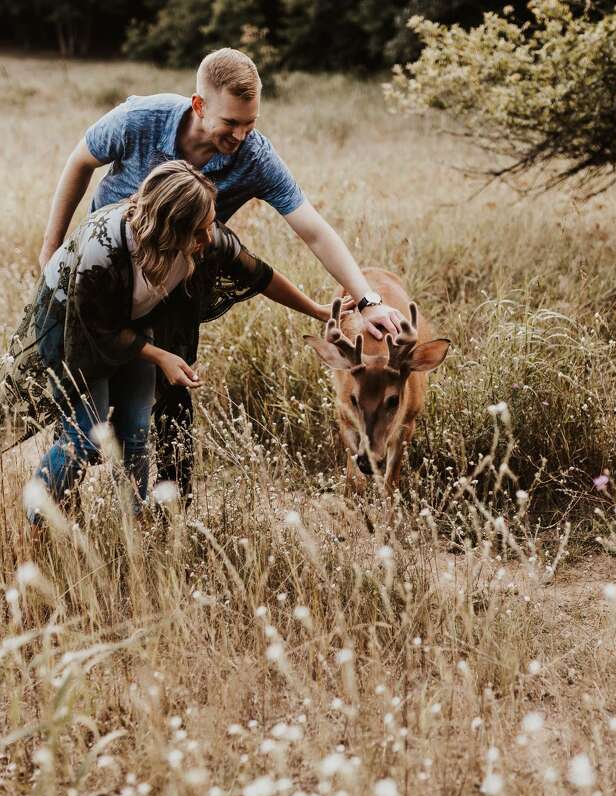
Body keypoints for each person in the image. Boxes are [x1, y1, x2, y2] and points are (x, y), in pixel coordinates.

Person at [37, 47, 407, 497]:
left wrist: (366, 301)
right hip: (102, 284)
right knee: (87, 412)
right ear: (199, 105)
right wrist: (51, 248)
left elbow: (306, 235)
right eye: (231, 122)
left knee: (161, 402)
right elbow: (80, 162)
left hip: (173, 285)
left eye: (251, 123)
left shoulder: (250, 163)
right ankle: (55, 496)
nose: (242, 135)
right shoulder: (140, 119)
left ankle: (164, 509)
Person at [0, 159, 332, 518]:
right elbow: (95, 332)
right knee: (85, 435)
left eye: (209, 225)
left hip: (130, 327)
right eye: (199, 231)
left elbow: (259, 274)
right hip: (72, 329)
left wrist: (318, 310)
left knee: (136, 430)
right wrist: (160, 356)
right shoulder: (104, 249)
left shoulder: (203, 238)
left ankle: (133, 525)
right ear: (168, 229)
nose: (209, 238)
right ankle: (37, 521)